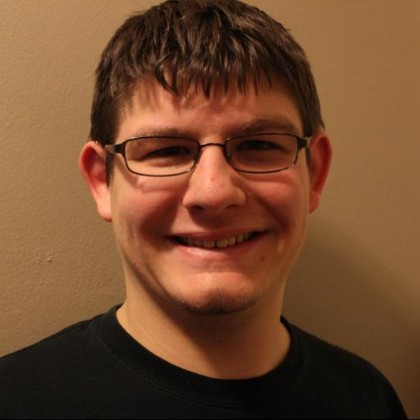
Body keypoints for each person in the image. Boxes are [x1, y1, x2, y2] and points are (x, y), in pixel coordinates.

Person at [0, 0, 407, 418]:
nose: (213, 193)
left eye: (259, 145)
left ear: (314, 173)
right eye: (166, 151)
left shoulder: (368, 398)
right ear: (102, 181)